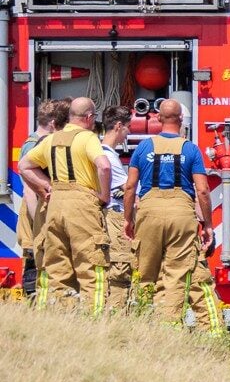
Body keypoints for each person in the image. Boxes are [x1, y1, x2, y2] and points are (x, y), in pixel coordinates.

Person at [17, 97, 111, 313]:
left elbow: (24, 166)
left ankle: (61, 316)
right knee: (91, 265)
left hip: (55, 205)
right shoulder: (88, 137)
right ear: (88, 118)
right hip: (82, 205)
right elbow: (104, 166)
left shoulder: (51, 139)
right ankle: (93, 318)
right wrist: (103, 196)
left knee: (58, 268)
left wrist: (47, 186)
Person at [123, 99, 213, 323]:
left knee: (145, 273)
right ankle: (169, 326)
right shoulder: (190, 149)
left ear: (158, 119)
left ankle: (141, 322)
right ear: (181, 120)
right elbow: (202, 190)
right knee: (176, 274)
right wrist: (208, 224)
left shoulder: (144, 147)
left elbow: (130, 187)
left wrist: (127, 220)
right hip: (181, 215)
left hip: (149, 212)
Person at [15, 99, 68, 298]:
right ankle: (34, 303)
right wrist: (38, 222)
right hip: (34, 209)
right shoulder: (34, 145)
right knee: (33, 258)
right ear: (54, 123)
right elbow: (30, 190)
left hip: (39, 206)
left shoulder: (41, 142)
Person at [99, 106, 134, 310]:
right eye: (128, 128)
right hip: (115, 217)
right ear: (118, 126)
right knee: (120, 271)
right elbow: (127, 188)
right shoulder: (109, 157)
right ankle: (117, 313)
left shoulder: (101, 153)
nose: (128, 133)